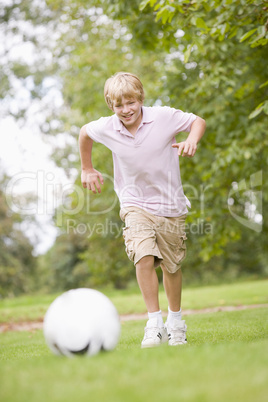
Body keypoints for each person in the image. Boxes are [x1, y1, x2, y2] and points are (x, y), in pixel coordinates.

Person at [79, 72, 206, 348]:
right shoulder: (107, 127)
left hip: (171, 204)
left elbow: (198, 121)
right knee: (143, 255)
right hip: (134, 203)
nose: (125, 110)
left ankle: (176, 321)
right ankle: (154, 322)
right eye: (118, 105)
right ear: (110, 106)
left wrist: (192, 140)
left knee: (172, 266)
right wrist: (87, 168)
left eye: (130, 102)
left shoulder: (163, 117)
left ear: (140, 99)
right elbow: (85, 133)